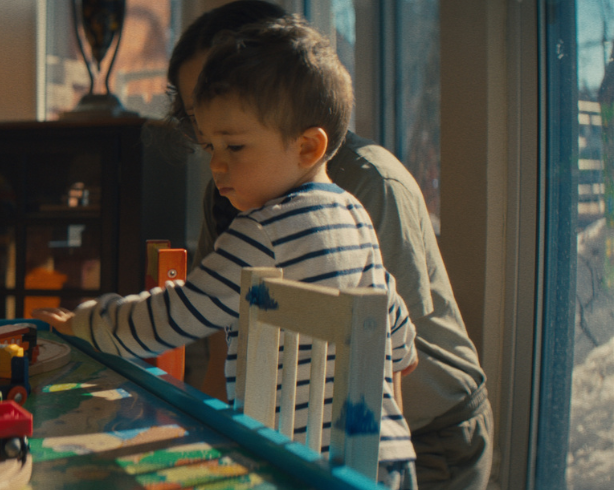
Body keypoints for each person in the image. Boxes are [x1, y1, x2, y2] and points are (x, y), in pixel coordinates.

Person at [34, 16, 418, 487]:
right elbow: (387, 309)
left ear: (307, 147)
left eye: (235, 146)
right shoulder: (355, 214)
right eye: (210, 145)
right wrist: (403, 348)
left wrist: (89, 324)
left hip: (298, 464)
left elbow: (182, 313)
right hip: (386, 460)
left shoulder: (260, 230)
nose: (216, 163)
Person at [164, 2, 492, 489]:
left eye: (224, 95)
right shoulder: (230, 186)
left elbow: (386, 346)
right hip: (313, 434)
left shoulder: (368, 183)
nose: (212, 136)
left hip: (420, 434)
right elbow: (223, 333)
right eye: (199, 117)